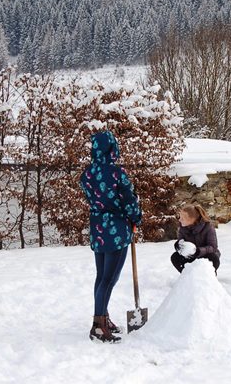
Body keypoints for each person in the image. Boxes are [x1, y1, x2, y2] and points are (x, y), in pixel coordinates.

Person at [80, 130, 142, 343]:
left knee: (101, 277)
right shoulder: (117, 173)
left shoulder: (87, 173)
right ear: (111, 148)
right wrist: (136, 217)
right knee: (109, 278)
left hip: (98, 228)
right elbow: (129, 201)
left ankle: (103, 317)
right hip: (116, 230)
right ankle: (98, 326)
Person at [171, 204, 220, 274]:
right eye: (180, 217)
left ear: (192, 219)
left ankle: (209, 275)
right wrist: (178, 245)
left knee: (213, 257)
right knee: (175, 257)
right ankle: (188, 275)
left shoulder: (208, 227)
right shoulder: (182, 228)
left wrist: (198, 251)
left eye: (182, 218)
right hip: (190, 256)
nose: (179, 220)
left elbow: (213, 247)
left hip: (205, 256)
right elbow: (181, 241)